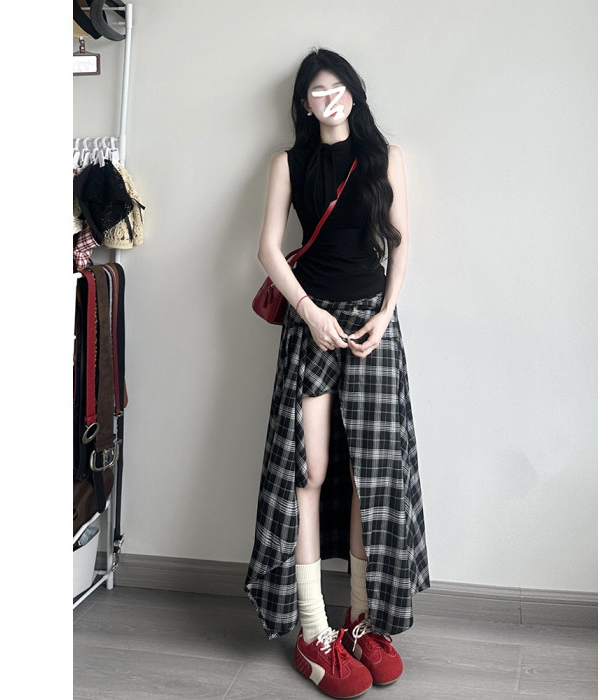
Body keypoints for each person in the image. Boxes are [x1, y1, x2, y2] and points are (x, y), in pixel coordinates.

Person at [244, 47, 430, 699]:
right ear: (304, 103)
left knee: (369, 474)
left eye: (339, 87)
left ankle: (361, 621)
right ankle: (313, 628)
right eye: (318, 92)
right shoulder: (289, 162)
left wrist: (385, 315)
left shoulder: (385, 156)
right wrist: (308, 311)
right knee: (311, 469)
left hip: (372, 326)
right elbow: (268, 248)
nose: (330, 99)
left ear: (354, 91)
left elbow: (399, 242)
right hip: (311, 325)